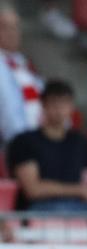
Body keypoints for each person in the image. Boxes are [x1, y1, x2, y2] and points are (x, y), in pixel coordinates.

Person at [6, 80, 87, 212]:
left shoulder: (78, 141)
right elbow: (33, 190)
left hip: (78, 208)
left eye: (64, 104)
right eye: (54, 104)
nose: (59, 110)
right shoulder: (24, 141)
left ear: (72, 107)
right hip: (40, 209)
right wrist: (80, 190)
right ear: (43, 106)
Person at [0, 3, 42, 145]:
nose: (12, 33)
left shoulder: (23, 62)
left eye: (15, 27)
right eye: (5, 27)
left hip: (35, 140)